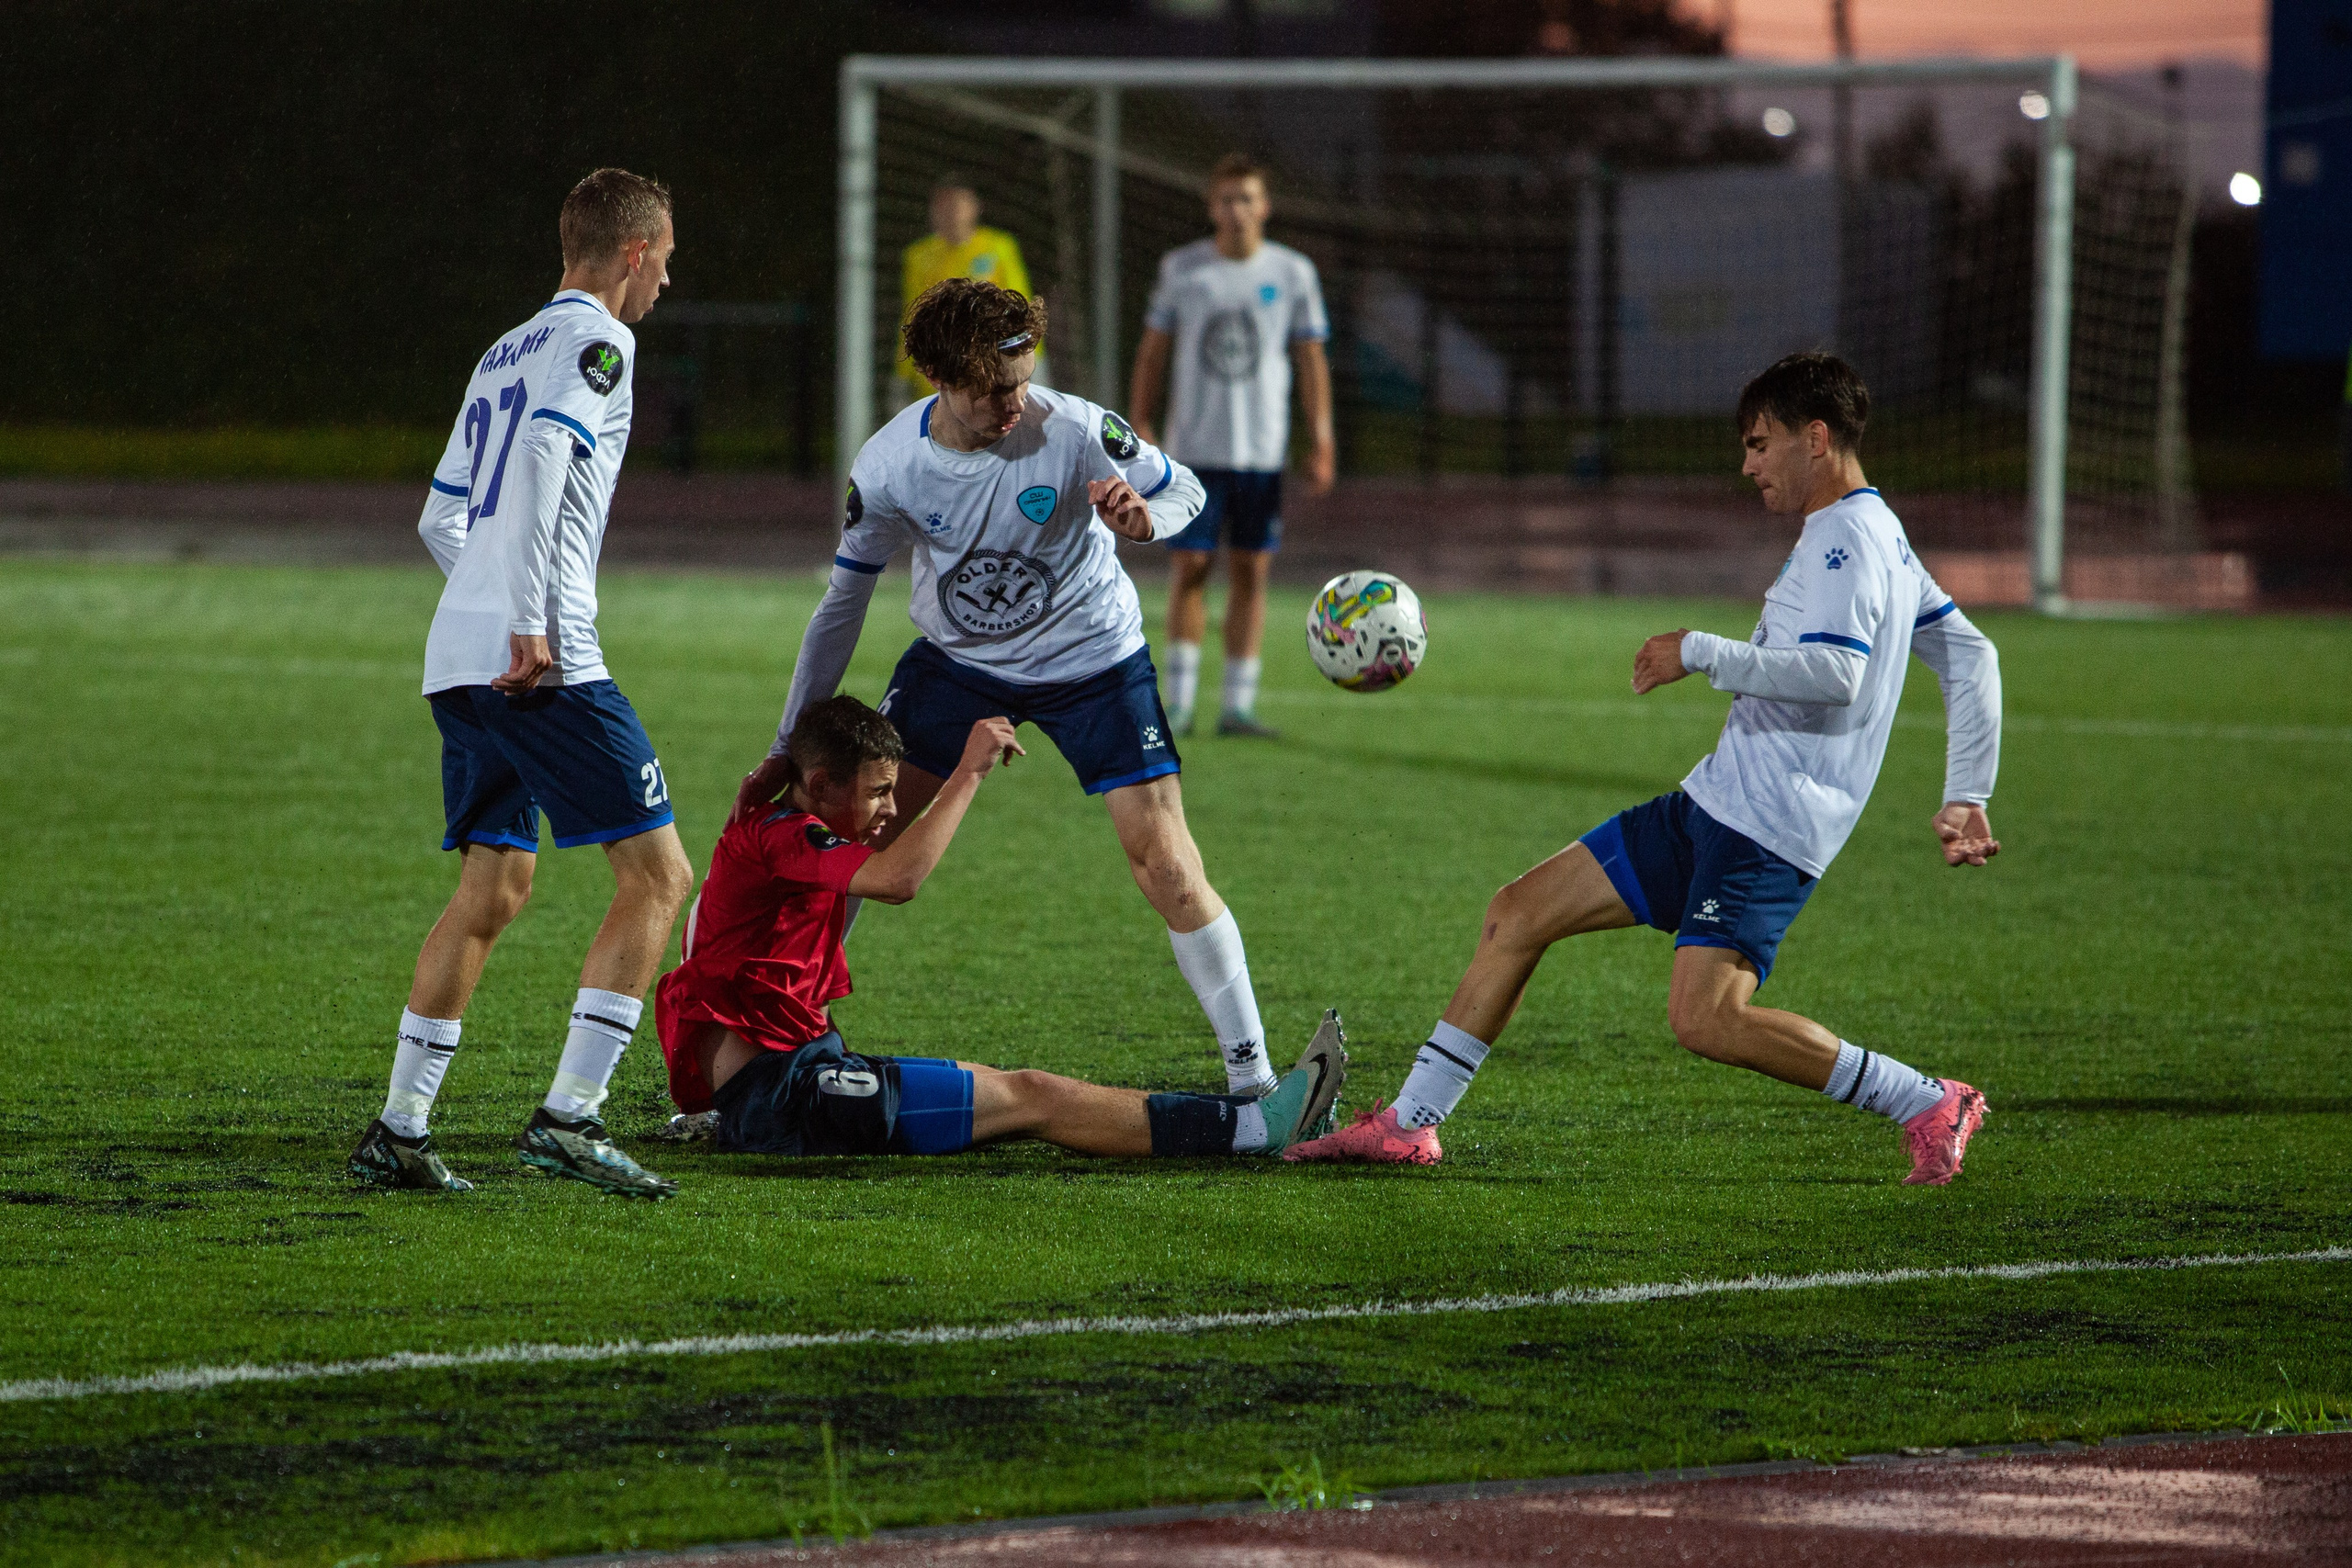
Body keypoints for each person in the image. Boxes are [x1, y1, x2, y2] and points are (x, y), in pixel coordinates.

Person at [1289, 353, 2002, 1185]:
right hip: (1714, 803)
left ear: (1817, 438)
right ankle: (1410, 1123)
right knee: (1517, 911)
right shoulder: (1876, 533)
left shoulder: (1847, 538)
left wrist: (1697, 651)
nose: (1749, 465)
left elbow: (1836, 676)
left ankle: (1925, 1099)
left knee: (1706, 1019)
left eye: (1760, 444)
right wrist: (1968, 790)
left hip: (1766, 830)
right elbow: (1971, 654)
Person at [733, 278, 1289, 1101]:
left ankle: (1256, 1079)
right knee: (851, 846)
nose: (1013, 403)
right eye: (992, 389)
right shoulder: (889, 466)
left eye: (1022, 380)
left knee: (1167, 863)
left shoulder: (1073, 426)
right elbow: (843, 604)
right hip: (957, 666)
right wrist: (788, 744)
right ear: (938, 378)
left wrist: (1147, 519)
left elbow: (1185, 489)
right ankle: (778, 1045)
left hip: (1094, 661)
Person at [347, 168, 696, 1200]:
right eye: (666, 261)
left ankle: (400, 1130)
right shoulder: (603, 340)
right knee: (659, 877)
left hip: (458, 656)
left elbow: (439, 518)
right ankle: (570, 1119)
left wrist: (487, 602)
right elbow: (547, 452)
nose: (666, 284)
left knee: (491, 889)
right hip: (541, 661)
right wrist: (530, 618)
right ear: (633, 252)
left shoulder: (503, 347)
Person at [662, 696, 1347, 1159]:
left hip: (800, 1078)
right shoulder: (780, 836)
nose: (889, 808)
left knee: (1020, 1093)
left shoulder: (771, 825)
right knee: (1033, 1097)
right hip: (786, 1100)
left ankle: (1254, 1123)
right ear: (819, 782)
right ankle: (1259, 1127)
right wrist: (967, 772)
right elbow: (899, 880)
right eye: (877, 791)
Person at [1128, 152, 1336, 739]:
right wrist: (1140, 419)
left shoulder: (1293, 272)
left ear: (1265, 206)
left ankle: (1237, 707)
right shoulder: (1183, 268)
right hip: (1193, 449)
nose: (1236, 210)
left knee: (1251, 571)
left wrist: (1320, 438)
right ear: (1211, 206)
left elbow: (1311, 360)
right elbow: (1153, 350)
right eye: (1226, 199)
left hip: (1261, 452)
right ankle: (1180, 704)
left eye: (1247, 198)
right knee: (1190, 567)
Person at [899, 177, 1037, 405]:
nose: (950, 213)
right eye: (942, 206)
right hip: (937, 377)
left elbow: (1021, 305)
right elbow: (911, 316)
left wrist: (1031, 357)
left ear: (974, 208)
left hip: (992, 371)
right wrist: (903, 372)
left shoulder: (999, 247)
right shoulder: (918, 255)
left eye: (957, 205)